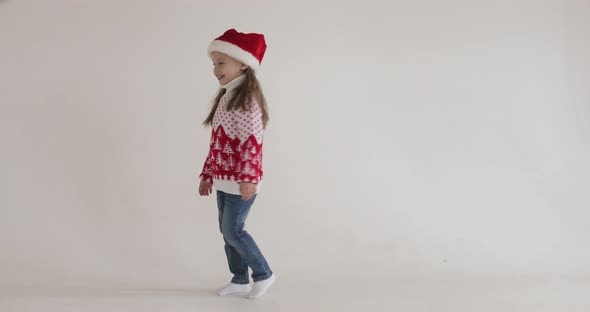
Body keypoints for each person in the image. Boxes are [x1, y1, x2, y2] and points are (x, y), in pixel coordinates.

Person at [197, 29, 275, 299]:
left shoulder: (247, 101)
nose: (215, 69)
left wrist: (249, 177)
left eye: (221, 63)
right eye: (214, 64)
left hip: (241, 181)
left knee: (233, 230)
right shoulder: (226, 97)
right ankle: (239, 279)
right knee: (226, 231)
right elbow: (218, 143)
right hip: (223, 179)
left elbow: (252, 142)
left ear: (243, 63)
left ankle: (264, 273)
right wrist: (207, 175)